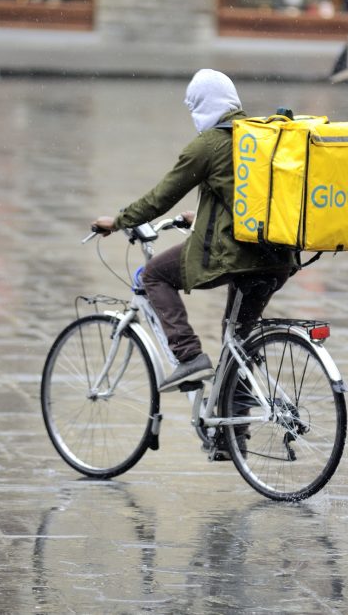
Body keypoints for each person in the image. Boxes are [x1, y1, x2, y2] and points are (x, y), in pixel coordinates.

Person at [91, 70, 296, 390]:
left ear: (203, 105)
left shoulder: (209, 144)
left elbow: (161, 197)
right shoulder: (258, 135)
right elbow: (246, 196)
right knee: (237, 341)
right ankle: (232, 431)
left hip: (240, 256)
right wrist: (201, 218)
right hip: (280, 253)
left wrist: (119, 221)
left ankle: (189, 357)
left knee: (154, 274)